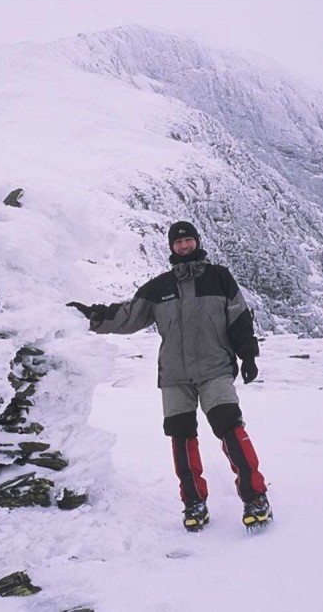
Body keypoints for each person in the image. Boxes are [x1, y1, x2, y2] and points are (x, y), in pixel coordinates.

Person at [67, 221, 272, 532]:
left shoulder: (219, 278)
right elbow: (126, 316)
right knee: (181, 438)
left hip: (214, 369)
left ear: (197, 241)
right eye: (178, 243)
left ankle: (255, 497)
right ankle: (194, 503)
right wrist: (90, 316)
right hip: (175, 376)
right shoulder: (159, 287)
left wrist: (249, 355)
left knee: (229, 428)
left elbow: (240, 318)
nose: (184, 246)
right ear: (171, 247)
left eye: (188, 240)